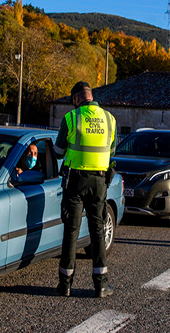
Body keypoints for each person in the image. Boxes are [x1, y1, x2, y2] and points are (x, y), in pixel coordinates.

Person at [52, 81, 117, 298]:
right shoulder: (109, 119)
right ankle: (101, 285)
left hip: (75, 181)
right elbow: (112, 151)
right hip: (99, 182)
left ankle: (65, 285)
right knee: (97, 230)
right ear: (91, 96)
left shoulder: (71, 118)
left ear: (76, 98)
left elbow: (58, 151)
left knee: (71, 231)